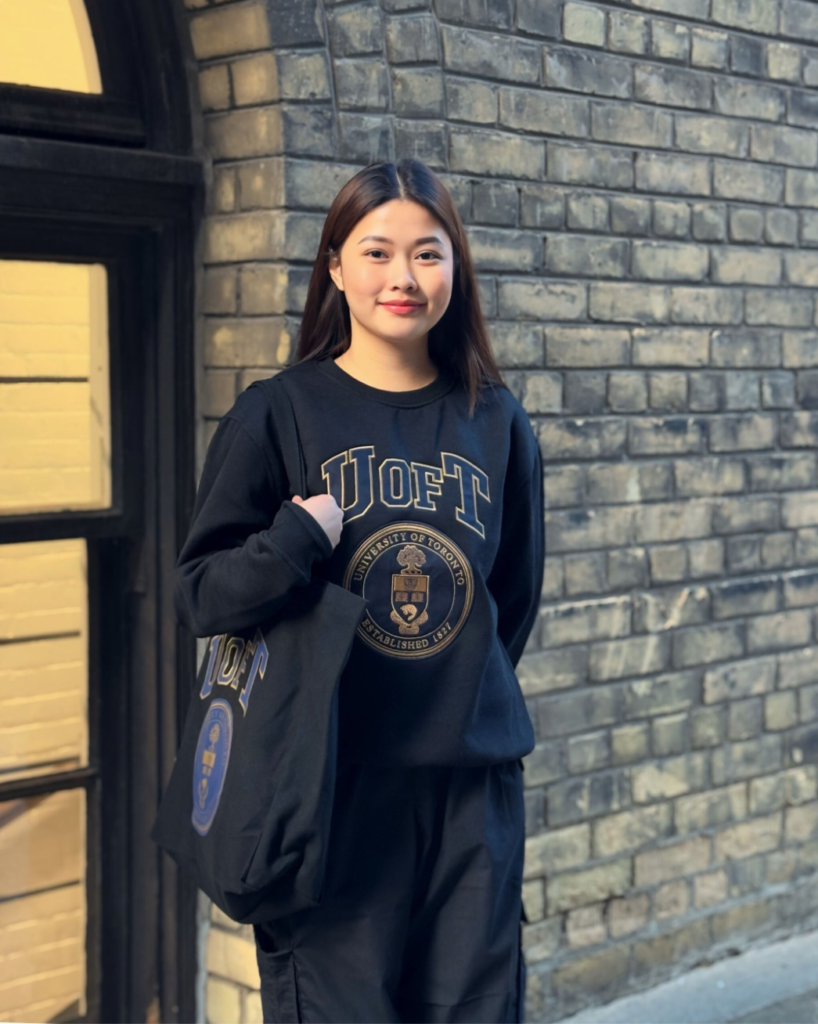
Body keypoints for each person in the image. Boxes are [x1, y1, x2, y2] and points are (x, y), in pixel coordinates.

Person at [174, 159, 544, 1023]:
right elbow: (202, 596)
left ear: (457, 269)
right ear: (335, 268)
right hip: (328, 795)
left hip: (469, 795)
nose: (404, 278)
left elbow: (509, 604)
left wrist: (449, 689)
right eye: (377, 252)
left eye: (428, 253)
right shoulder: (280, 413)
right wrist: (293, 544)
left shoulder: (495, 419)